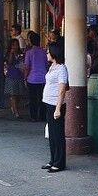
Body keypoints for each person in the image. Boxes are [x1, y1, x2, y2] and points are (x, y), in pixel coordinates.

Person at [43, 43, 69, 172]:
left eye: (48, 52)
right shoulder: (52, 67)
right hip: (48, 102)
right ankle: (53, 159)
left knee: (58, 134)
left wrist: (58, 108)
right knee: (52, 134)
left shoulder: (61, 69)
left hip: (56, 104)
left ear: (54, 53)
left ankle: (59, 162)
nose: (47, 54)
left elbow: (62, 89)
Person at [23, 32, 48, 121]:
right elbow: (46, 65)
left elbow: (27, 67)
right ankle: (42, 116)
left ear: (30, 41)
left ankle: (33, 116)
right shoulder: (44, 52)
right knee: (42, 98)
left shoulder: (29, 53)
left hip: (32, 79)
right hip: (43, 78)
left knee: (32, 99)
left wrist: (25, 78)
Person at [3, 38, 25, 119]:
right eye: (13, 45)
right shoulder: (8, 54)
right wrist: (11, 54)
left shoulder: (21, 54)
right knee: (13, 94)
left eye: (16, 45)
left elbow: (23, 63)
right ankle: (16, 112)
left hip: (19, 75)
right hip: (11, 75)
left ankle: (14, 107)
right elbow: (9, 63)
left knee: (18, 94)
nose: (15, 47)